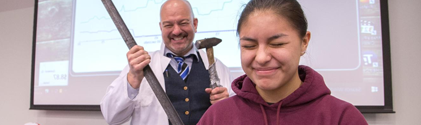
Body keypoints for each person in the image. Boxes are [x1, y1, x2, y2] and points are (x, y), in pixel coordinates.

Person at [197, 0, 368, 125]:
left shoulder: (341, 118)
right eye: (249, 46)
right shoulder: (218, 117)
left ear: (304, 42)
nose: (262, 57)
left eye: (277, 44)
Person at [100, 0, 234, 125]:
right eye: (168, 25)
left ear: (195, 24)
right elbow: (111, 116)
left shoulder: (218, 67)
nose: (176, 31)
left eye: (183, 23)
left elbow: (235, 116)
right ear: (161, 27)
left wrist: (227, 106)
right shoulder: (139, 67)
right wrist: (133, 79)